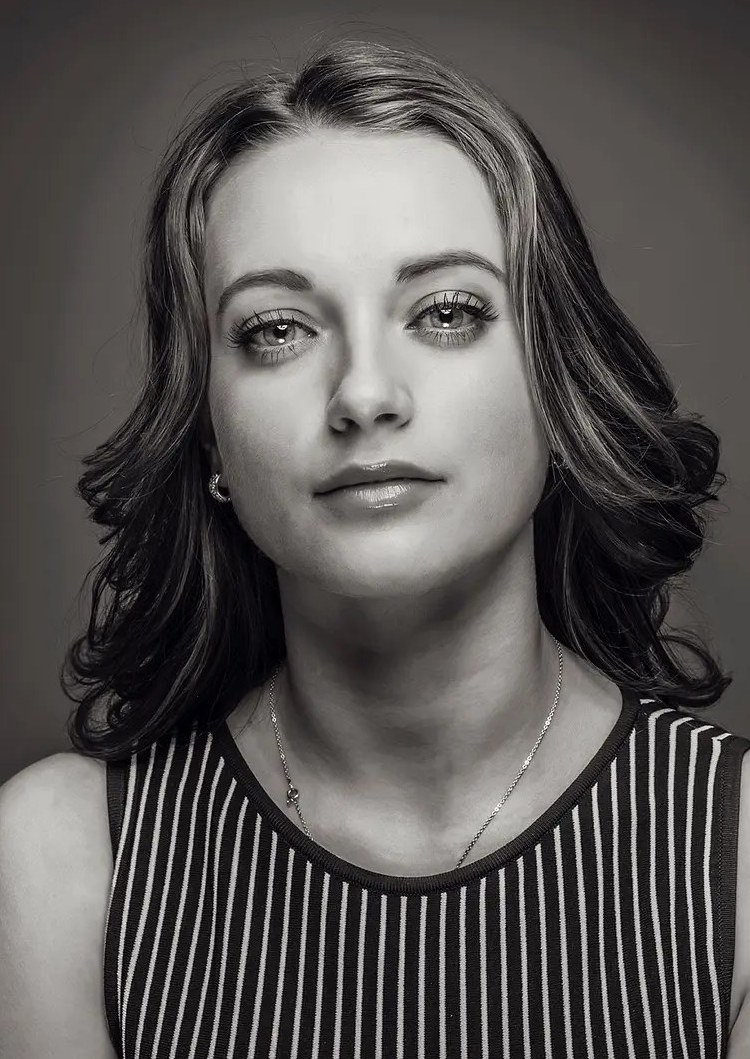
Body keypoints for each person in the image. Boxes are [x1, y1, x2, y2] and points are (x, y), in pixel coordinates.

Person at [0, 36, 748, 1059]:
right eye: (277, 330)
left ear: (560, 386)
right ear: (208, 434)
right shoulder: (58, 868)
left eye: (445, 312)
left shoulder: (736, 859)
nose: (362, 394)